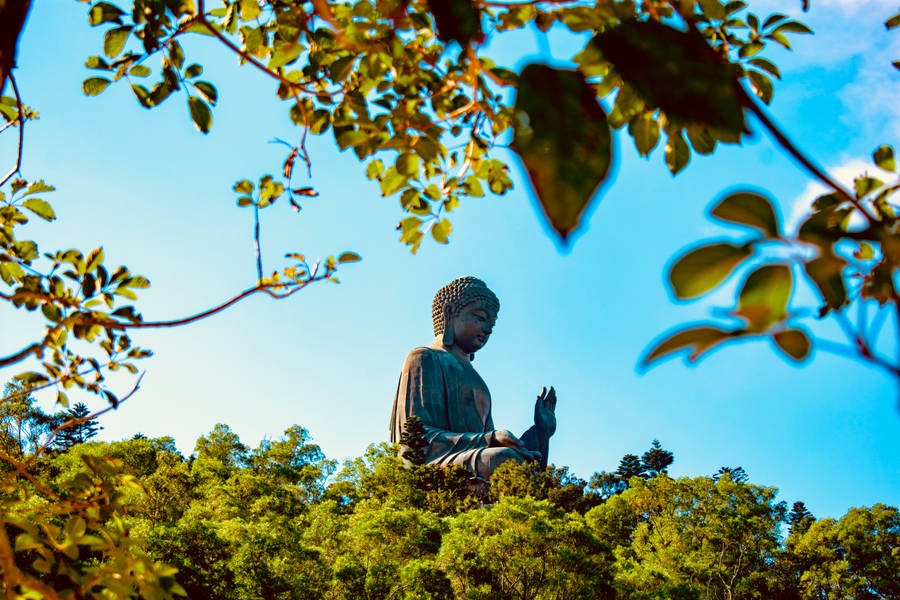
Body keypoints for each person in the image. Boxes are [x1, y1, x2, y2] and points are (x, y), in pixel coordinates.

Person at [389, 276, 557, 481]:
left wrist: (540, 433)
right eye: (480, 318)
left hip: (470, 458)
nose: (487, 329)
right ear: (449, 312)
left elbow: (493, 443)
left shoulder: (478, 382)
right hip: (434, 465)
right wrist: (490, 438)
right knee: (504, 460)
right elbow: (415, 439)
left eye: (492, 325)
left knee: (517, 462)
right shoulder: (424, 358)